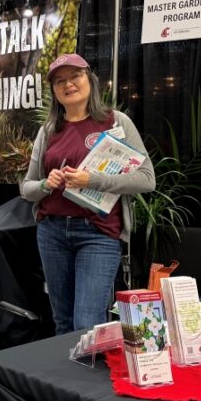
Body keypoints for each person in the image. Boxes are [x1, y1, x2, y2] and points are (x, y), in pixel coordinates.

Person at [20, 54, 155, 334]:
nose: (68, 84)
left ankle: (86, 377)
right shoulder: (48, 131)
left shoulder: (116, 123)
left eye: (75, 77)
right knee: (63, 322)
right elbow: (27, 188)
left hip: (98, 233)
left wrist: (92, 180)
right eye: (60, 81)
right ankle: (63, 380)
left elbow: (146, 179)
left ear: (89, 79)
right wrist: (47, 184)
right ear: (54, 91)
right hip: (52, 233)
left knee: (87, 324)